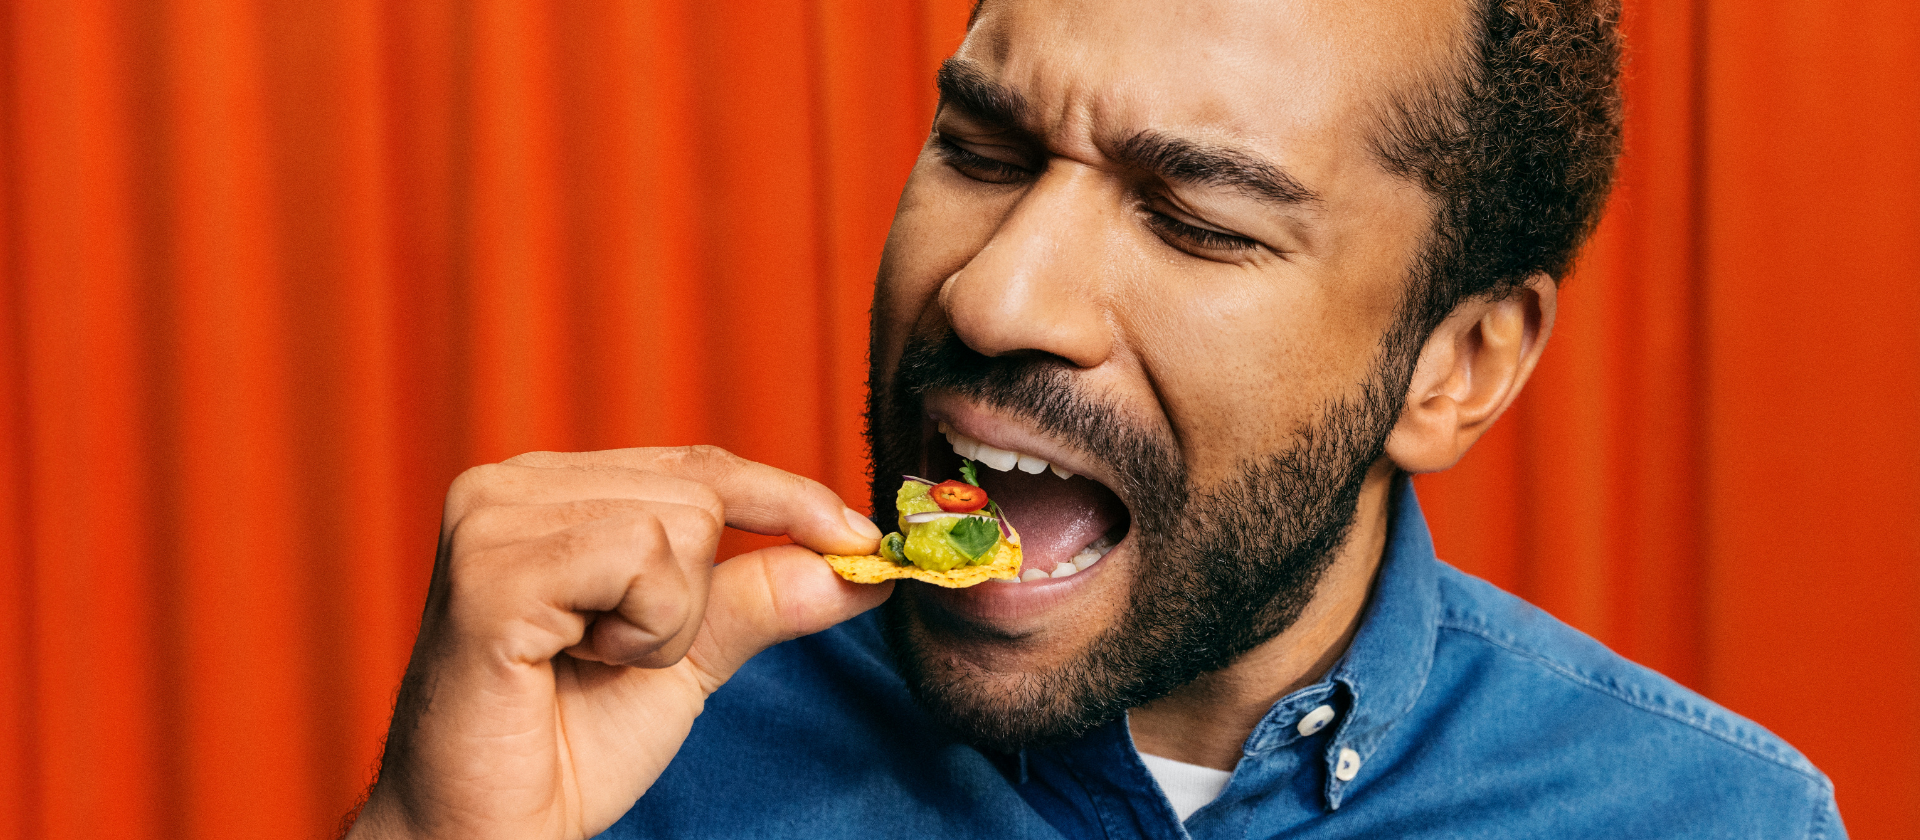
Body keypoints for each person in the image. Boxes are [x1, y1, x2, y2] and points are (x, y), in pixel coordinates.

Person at [345, 0, 1846, 837]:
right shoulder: (631, 762)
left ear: (1455, 364)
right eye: (983, 151)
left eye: (1196, 220)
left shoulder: (1713, 822)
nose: (997, 296)